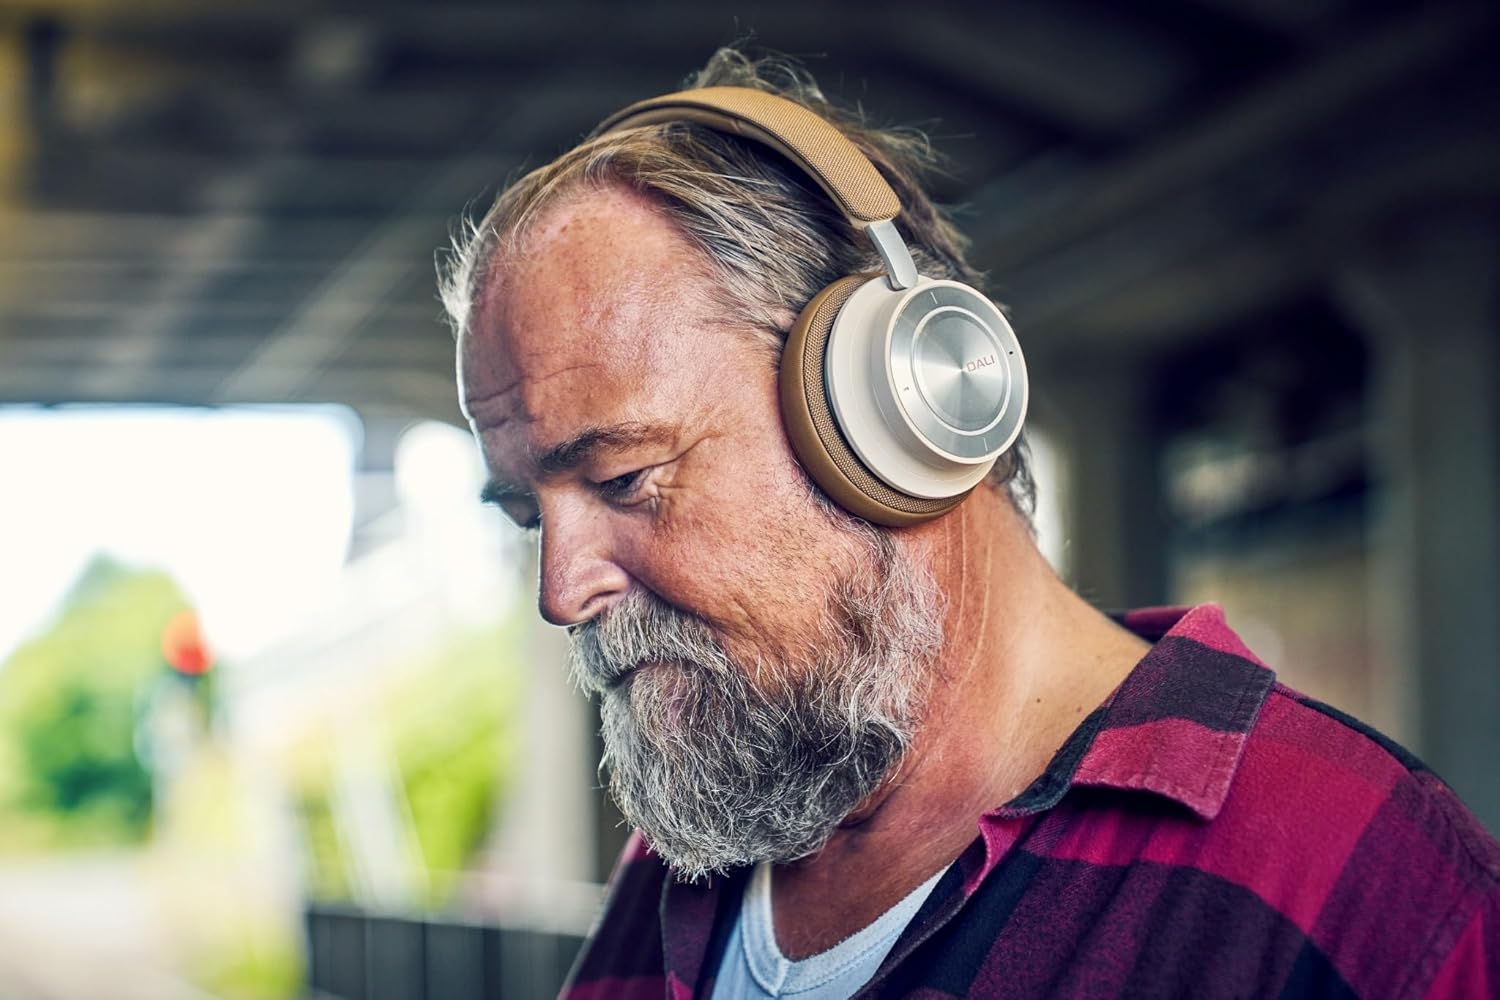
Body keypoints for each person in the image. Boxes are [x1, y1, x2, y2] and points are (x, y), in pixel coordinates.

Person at [441, 48, 1498, 999]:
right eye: (530, 513)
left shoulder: (1357, 882)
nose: (560, 588)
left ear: (897, 409)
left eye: (624, 478)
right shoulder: (684, 866)